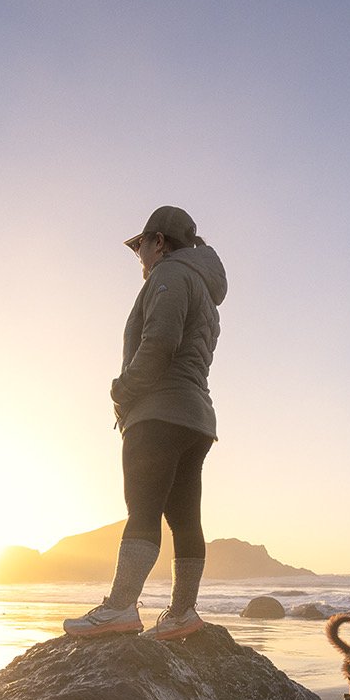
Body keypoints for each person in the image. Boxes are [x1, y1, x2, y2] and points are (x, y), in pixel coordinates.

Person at [63, 205, 228, 641]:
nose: (139, 256)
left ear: (159, 242)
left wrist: (121, 390)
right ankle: (182, 614)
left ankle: (119, 608)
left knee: (143, 509)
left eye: (141, 246)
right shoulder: (206, 292)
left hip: (158, 412)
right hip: (197, 419)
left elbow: (159, 344)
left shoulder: (170, 275)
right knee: (185, 517)